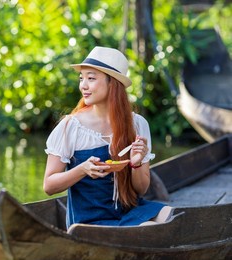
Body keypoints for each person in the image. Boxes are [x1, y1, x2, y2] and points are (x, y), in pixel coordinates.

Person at [43, 46, 173, 229]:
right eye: (82, 78)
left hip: (127, 211)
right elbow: (49, 186)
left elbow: (141, 189)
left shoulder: (137, 124)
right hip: (88, 219)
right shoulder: (70, 126)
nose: (83, 85)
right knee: (149, 228)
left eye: (91, 78)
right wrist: (82, 169)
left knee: (169, 216)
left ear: (112, 83)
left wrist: (135, 163)